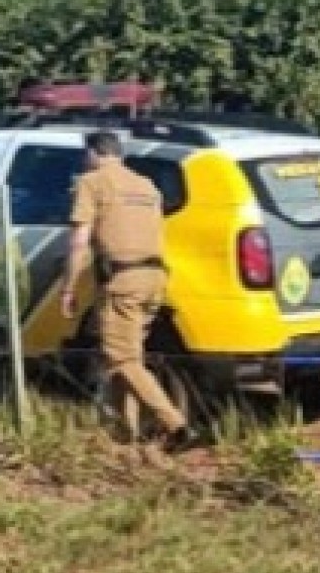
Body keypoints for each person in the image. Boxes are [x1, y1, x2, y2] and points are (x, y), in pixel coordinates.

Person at [61, 130, 209, 453]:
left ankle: (178, 426)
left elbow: (79, 240)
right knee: (128, 358)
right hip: (154, 278)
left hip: (123, 281)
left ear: (93, 154)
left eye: (85, 156)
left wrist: (69, 286)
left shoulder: (92, 182)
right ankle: (124, 433)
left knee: (121, 360)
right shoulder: (147, 186)